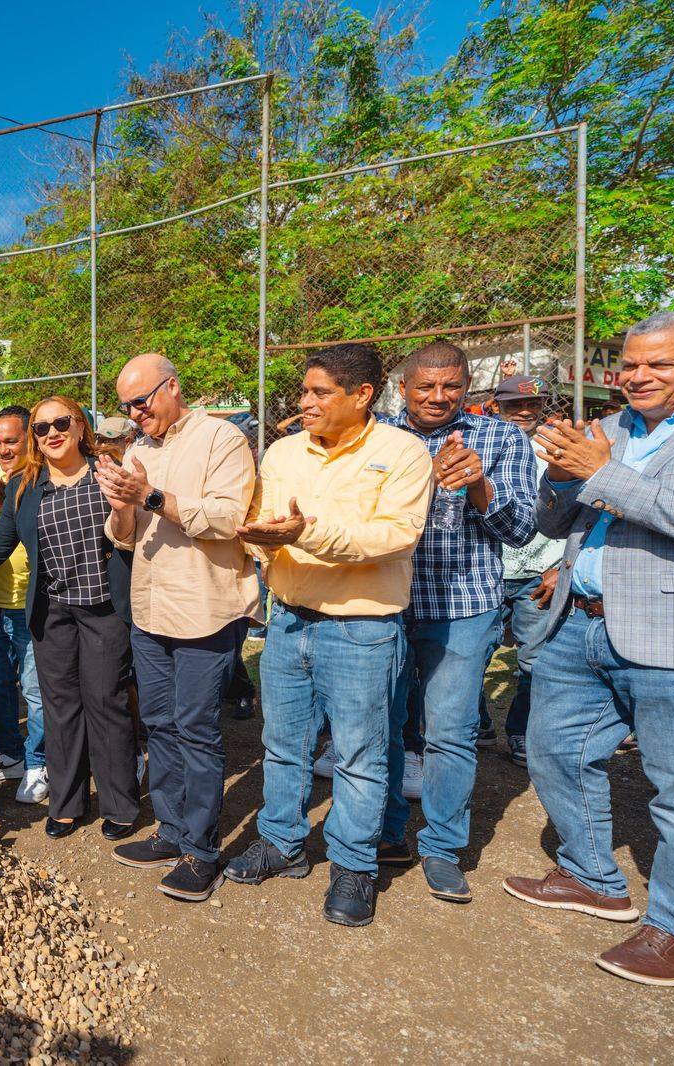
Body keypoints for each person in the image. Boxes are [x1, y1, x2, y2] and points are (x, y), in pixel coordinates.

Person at [225, 343, 432, 928]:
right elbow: (261, 524)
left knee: (361, 756)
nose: (305, 402)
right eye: (304, 391)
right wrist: (258, 541)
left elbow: (393, 536)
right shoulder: (284, 452)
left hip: (363, 628)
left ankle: (353, 866)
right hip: (288, 620)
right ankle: (282, 844)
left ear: (363, 395)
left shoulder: (403, 452)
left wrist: (304, 535)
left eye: (320, 393)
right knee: (283, 744)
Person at [504, 309, 674, 986]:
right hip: (579, 621)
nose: (638, 375)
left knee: (672, 792)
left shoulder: (612, 448)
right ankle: (592, 875)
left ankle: (669, 929)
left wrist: (601, 473)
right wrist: (561, 475)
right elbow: (556, 518)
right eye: (631, 363)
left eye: (658, 364)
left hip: (662, 635)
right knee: (555, 750)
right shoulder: (606, 429)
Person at [0, 396, 139, 841]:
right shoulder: (25, 486)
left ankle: (120, 803)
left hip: (104, 610)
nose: (51, 433)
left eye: (61, 423)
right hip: (51, 612)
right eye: (41, 427)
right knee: (60, 708)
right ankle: (68, 801)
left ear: (79, 426)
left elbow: (130, 534)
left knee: (106, 704)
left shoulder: (106, 472)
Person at [375, 342, 537, 903]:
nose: (438, 397)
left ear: (469, 386)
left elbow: (519, 531)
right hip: (383, 603)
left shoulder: (503, 438)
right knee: (384, 726)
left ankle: (441, 847)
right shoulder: (378, 438)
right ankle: (389, 832)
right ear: (404, 387)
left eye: (451, 386)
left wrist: (477, 486)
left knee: (449, 732)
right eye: (426, 387)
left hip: (465, 607)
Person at [97, 354, 260, 902]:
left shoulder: (221, 440)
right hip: (150, 610)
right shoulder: (140, 450)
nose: (133, 415)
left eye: (140, 402)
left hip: (203, 611)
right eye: (125, 407)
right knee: (160, 725)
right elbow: (123, 536)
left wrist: (151, 497)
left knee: (196, 730)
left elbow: (228, 518)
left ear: (172, 388)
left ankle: (202, 850)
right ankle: (170, 832)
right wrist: (123, 504)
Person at [484, 374, 564, 766]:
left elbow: (583, 509)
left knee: (534, 661)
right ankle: (478, 723)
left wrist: (564, 566)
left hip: (540, 570)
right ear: (497, 406)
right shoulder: (479, 442)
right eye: (515, 404)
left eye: (534, 403)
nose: (526, 411)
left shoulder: (557, 447)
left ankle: (519, 733)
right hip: (485, 570)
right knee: (470, 656)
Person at [0, 407, 48, 804]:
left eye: (11, 441)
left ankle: (40, 762)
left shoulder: (43, 480)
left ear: (29, 440)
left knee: (36, 692)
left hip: (31, 604)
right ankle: (10, 753)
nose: (3, 450)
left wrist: (6, 505)